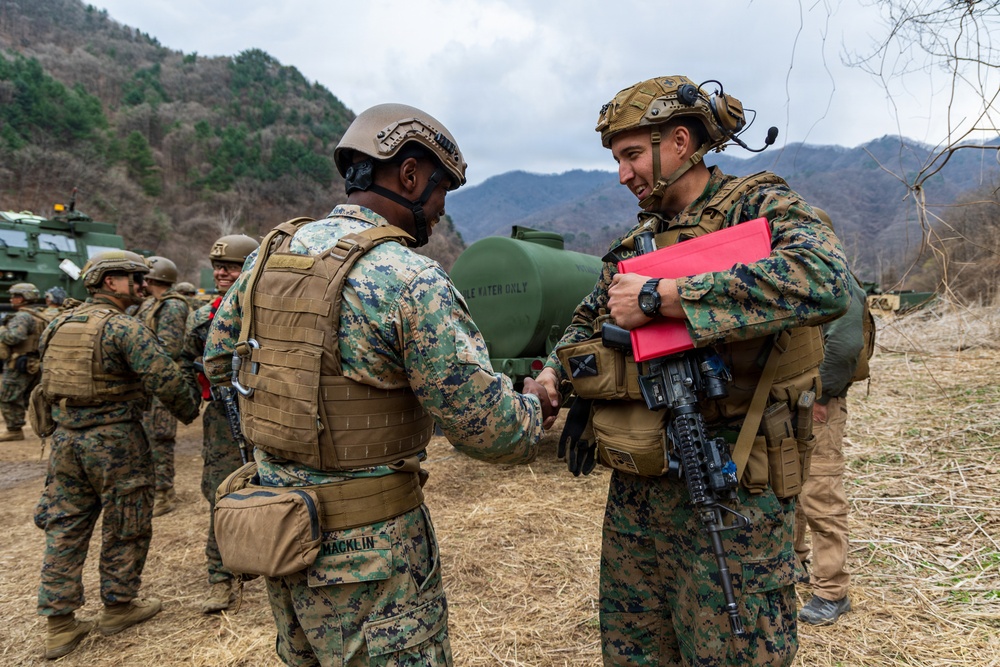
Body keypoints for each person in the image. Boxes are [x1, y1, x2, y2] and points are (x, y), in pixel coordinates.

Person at [202, 103, 553, 666]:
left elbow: (220, 362)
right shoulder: (408, 277)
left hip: (280, 536)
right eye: (442, 190)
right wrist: (534, 403)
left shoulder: (267, 256)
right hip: (375, 560)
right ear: (409, 175)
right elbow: (492, 432)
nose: (440, 208)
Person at [534, 75, 851, 666]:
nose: (623, 174)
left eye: (632, 155)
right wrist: (553, 376)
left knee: (736, 650)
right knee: (635, 649)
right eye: (617, 159)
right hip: (641, 491)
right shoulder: (637, 240)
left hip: (735, 487)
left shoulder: (759, 204)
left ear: (680, 142)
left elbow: (826, 279)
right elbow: (585, 324)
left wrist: (665, 297)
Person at [34, 250, 201, 660]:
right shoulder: (124, 328)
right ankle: (119, 606)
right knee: (126, 521)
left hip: (66, 441)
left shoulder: (57, 324)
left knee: (65, 526)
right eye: (134, 279)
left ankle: (59, 625)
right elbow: (166, 380)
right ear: (110, 282)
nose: (143, 286)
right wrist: (191, 405)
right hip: (116, 442)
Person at [183, 233, 259, 613]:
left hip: (267, 412)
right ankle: (221, 577)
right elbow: (183, 362)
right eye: (217, 265)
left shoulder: (266, 307)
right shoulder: (201, 318)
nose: (221, 272)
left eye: (229, 265)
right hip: (221, 416)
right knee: (221, 493)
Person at [793, 274, 867, 625]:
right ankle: (793, 563)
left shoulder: (833, 275)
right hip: (791, 401)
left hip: (816, 405)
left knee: (820, 493)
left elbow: (845, 345)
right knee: (788, 485)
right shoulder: (799, 271)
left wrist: (818, 397)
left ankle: (831, 591)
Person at [135, 256, 191, 517]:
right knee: (145, 438)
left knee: (160, 439)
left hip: (161, 383)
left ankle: (164, 492)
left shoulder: (172, 306)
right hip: (146, 383)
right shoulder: (149, 305)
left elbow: (169, 348)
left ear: (152, 279)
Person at [0, 283, 53, 441]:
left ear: (26, 298)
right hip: (36, 363)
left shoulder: (23, 316)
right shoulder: (40, 315)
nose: (12, 299)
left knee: (7, 396)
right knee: (33, 397)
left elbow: (14, 337)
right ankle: (46, 427)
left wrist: (2, 331)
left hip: (19, 363)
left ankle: (14, 429)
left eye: (17, 296)